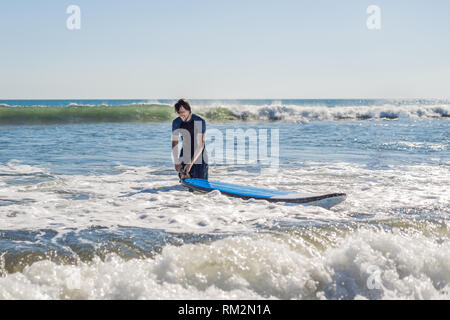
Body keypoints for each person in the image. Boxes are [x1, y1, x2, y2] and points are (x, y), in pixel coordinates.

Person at [171, 99, 208, 180]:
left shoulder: (199, 121)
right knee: (185, 181)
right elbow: (174, 143)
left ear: (189, 110)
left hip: (199, 154)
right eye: (178, 112)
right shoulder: (176, 122)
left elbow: (200, 145)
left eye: (183, 112)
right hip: (185, 152)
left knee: (201, 185)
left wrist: (190, 163)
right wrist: (176, 162)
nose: (181, 115)